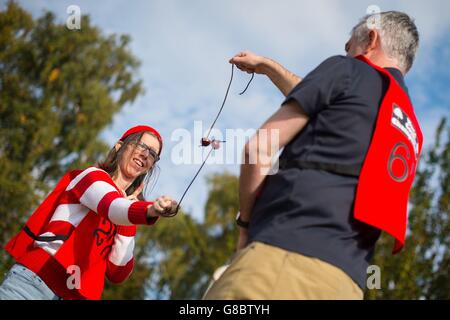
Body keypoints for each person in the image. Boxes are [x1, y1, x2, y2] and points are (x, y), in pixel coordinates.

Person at [204, 11, 423, 299]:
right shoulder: (407, 128)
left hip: (280, 264)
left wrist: (245, 226)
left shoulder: (347, 71)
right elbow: (327, 100)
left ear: (371, 39)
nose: (345, 53)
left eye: (348, 46)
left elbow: (258, 148)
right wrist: (268, 66)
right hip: (347, 285)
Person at [0, 125, 178, 300]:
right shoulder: (91, 177)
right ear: (119, 146)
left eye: (153, 154)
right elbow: (110, 206)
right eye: (141, 145)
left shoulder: (128, 211)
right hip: (35, 284)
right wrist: (149, 209)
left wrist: (129, 223)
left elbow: (118, 273)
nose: (146, 155)